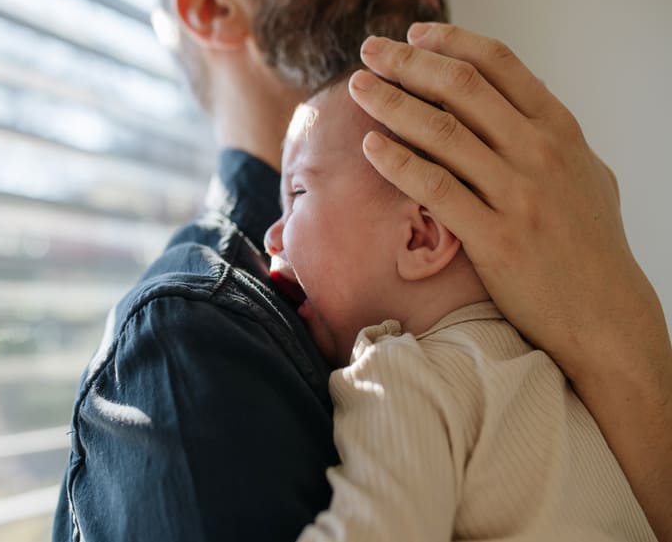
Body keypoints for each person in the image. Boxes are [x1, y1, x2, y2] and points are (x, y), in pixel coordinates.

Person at [52, 0, 672, 540]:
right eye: (293, 193)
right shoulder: (184, 339)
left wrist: (622, 338)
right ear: (215, 4)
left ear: (424, 233)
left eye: (302, 193)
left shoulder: (530, 288)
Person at [264, 78, 656, 541]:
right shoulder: (564, 375)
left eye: (300, 193)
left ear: (419, 237)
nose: (271, 236)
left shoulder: (402, 371)